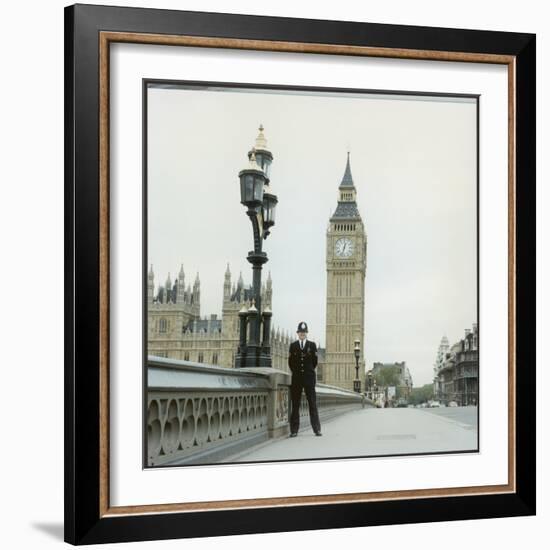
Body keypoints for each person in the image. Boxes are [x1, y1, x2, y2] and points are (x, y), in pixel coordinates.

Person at [288, 321, 322, 437]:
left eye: (303, 332)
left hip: (309, 378)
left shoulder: (312, 346)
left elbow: (314, 362)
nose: (302, 334)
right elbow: (291, 363)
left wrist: (308, 371)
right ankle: (294, 430)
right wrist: (297, 372)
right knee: (295, 405)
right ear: (298, 333)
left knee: (312, 403)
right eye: (300, 332)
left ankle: (316, 429)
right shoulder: (293, 346)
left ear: (306, 333)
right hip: (297, 379)